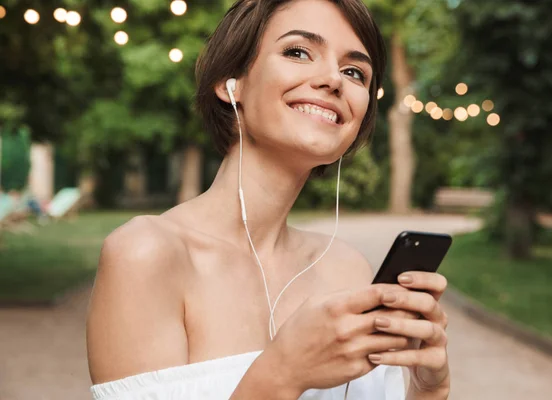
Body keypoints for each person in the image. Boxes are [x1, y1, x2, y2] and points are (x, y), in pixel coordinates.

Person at [86, 0, 450, 399]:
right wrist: (282, 373)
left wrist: (428, 391)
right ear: (230, 81)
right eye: (298, 52)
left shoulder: (348, 271)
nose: (333, 80)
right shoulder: (146, 254)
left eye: (354, 72)